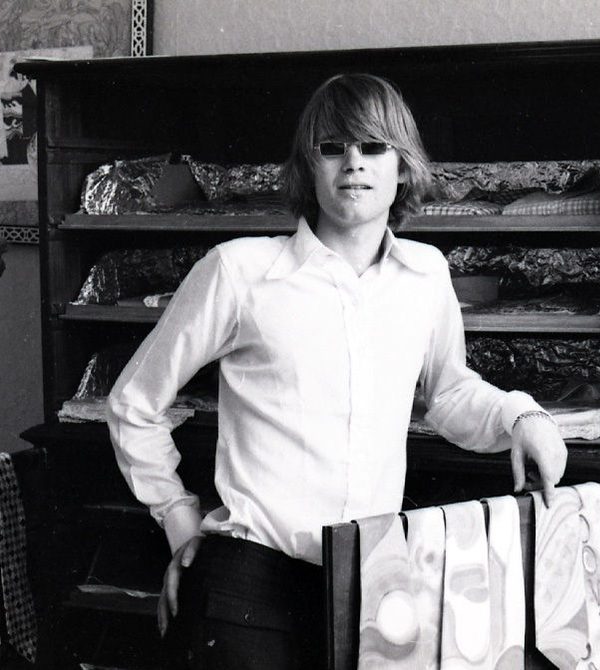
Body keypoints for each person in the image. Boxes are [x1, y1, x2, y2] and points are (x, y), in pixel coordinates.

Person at [107, 73, 568, 670]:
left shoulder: (426, 275)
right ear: (309, 167)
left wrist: (523, 415)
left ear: (402, 166)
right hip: (248, 582)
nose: (354, 162)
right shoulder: (239, 271)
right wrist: (180, 521)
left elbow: (450, 395)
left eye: (373, 146)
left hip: (370, 583)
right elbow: (132, 403)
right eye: (333, 147)